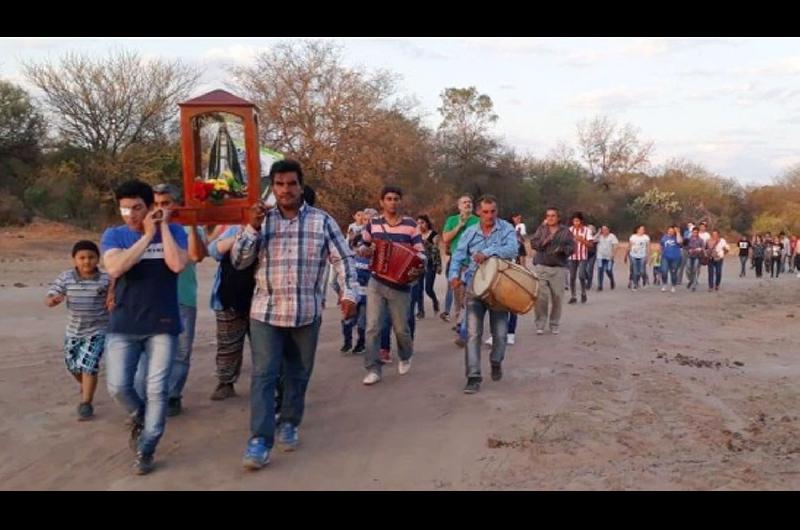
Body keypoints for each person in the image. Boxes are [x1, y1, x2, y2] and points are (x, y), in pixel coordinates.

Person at [231, 160, 357, 470]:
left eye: (291, 184)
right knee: (263, 375)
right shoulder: (262, 221)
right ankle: (259, 440)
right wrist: (252, 228)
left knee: (298, 374)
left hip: (306, 313)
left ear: (301, 186)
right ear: (272, 188)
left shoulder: (321, 221)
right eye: (279, 184)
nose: (286, 190)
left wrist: (350, 292)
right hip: (266, 312)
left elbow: (343, 259)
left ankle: (289, 421)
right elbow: (239, 261)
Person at [101, 179, 188, 475]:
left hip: (162, 324)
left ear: (150, 207)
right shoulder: (114, 235)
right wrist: (145, 236)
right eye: (125, 209)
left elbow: (177, 265)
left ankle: (147, 447)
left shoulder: (174, 231)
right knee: (118, 386)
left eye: (137, 208)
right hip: (124, 324)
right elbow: (115, 268)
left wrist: (161, 229)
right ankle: (140, 416)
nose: (131, 215)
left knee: (157, 389)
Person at [135, 184, 207, 418]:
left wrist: (193, 225)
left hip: (183, 296)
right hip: (153, 297)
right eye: (156, 204)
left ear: (176, 204)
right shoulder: (145, 227)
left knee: (181, 350)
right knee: (147, 350)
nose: (160, 208)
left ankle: (173, 395)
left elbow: (196, 256)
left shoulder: (188, 227)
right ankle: (145, 397)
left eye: (166, 203)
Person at [449, 195, 518, 394]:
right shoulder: (470, 232)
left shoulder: (506, 228)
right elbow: (458, 256)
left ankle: (496, 360)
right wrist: (454, 275)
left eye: (493, 211)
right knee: (473, 334)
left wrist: (488, 251)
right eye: (485, 212)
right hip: (474, 286)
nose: (489, 216)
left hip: (499, 287)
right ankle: (473, 376)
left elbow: (513, 248)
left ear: (497, 211)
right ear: (478, 212)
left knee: (501, 334)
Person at [358, 185, 425, 386]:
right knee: (372, 327)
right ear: (381, 202)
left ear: (400, 201)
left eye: (396, 198)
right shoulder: (373, 223)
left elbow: (421, 253)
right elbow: (361, 244)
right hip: (377, 280)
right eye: (388, 198)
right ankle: (373, 368)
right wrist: (365, 251)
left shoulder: (411, 225)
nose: (392, 202)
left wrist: (417, 267)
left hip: (401, 285)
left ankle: (405, 354)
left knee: (401, 329)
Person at [46, 240, 112, 420]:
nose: (86, 261)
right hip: (74, 331)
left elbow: (115, 297)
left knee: (89, 365)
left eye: (91, 257)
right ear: (74, 260)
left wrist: (113, 302)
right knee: (73, 366)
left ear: (98, 259)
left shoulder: (106, 279)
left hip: (98, 330)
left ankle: (86, 403)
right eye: (82, 258)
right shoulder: (66, 277)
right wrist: (53, 300)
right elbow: (51, 296)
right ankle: (85, 383)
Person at [206, 224, 254, 400]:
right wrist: (244, 236)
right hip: (228, 298)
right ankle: (225, 382)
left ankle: (270, 383)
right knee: (228, 346)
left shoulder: (273, 229)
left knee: (265, 346)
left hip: (261, 301)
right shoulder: (236, 230)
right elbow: (213, 251)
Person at [530, 207, 576, 335]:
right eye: (548, 215)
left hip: (558, 268)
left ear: (558, 217)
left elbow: (572, 248)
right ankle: (540, 323)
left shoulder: (565, 232)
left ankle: (554, 323)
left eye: (553, 216)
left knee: (557, 298)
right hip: (541, 266)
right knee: (540, 297)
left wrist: (562, 249)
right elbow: (534, 243)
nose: (550, 218)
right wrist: (545, 241)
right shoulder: (541, 229)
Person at [440, 195, 479, 324]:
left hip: (473, 263)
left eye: (469, 202)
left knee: (471, 295)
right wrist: (459, 226)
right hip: (457, 263)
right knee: (457, 294)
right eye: (464, 202)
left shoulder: (478, 221)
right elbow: (445, 239)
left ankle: (468, 323)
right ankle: (459, 321)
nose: (467, 204)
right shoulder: (452, 220)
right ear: (459, 206)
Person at [334, 234, 370, 354]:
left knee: (361, 322)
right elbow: (339, 278)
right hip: (351, 296)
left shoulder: (371, 261)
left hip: (366, 296)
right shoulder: (349, 260)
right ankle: (347, 342)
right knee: (347, 320)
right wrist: (341, 292)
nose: (360, 250)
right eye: (358, 246)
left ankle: (361, 343)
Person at [412, 214, 441, 319]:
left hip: (430, 263)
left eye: (422, 223)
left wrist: (425, 243)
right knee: (418, 288)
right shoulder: (415, 235)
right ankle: (420, 311)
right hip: (419, 264)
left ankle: (434, 300)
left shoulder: (433, 235)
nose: (420, 225)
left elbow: (435, 250)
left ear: (427, 223)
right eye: (418, 223)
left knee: (428, 288)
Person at [567, 212, 593, 304]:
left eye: (577, 221)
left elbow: (591, 244)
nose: (575, 223)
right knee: (572, 276)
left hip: (583, 255)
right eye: (574, 221)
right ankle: (573, 296)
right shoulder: (569, 230)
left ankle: (583, 292)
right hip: (572, 256)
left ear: (581, 221)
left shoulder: (587, 230)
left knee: (581, 275)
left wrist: (581, 240)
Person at [595, 225, 618, 291]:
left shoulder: (612, 236)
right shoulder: (599, 236)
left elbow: (615, 245)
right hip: (600, 256)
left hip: (609, 257)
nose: (604, 231)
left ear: (609, 230)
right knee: (600, 270)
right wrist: (598, 233)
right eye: (603, 229)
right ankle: (600, 286)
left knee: (608, 270)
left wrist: (613, 254)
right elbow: (593, 240)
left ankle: (612, 279)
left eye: (606, 229)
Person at [660, 226, 682, 292]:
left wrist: (678, 232)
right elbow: (661, 246)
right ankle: (664, 284)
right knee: (664, 271)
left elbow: (679, 241)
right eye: (669, 231)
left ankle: (673, 285)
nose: (670, 232)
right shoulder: (664, 237)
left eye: (672, 231)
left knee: (673, 272)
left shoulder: (677, 237)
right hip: (665, 257)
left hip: (675, 258)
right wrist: (660, 254)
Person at [628, 225, 650, 290]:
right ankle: (635, 284)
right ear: (637, 230)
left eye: (643, 229)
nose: (643, 230)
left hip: (642, 255)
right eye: (641, 229)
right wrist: (626, 255)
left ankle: (644, 280)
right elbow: (629, 246)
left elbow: (648, 247)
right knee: (635, 271)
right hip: (633, 255)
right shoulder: (633, 237)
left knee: (642, 271)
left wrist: (648, 256)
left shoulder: (646, 237)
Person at [685, 227, 705, 291]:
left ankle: (694, 285)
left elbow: (703, 248)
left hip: (697, 256)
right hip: (689, 256)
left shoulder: (701, 240)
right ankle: (691, 280)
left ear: (698, 233)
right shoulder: (688, 239)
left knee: (695, 269)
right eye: (694, 232)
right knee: (688, 269)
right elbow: (685, 246)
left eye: (696, 232)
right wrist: (689, 250)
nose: (695, 233)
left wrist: (700, 249)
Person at [584, 224, 598, 290]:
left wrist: (598, 233)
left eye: (591, 229)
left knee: (590, 269)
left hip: (592, 255)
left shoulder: (596, 237)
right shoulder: (585, 236)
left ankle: (589, 284)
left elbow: (594, 240)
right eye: (588, 229)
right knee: (584, 269)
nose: (590, 230)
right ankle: (587, 277)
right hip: (585, 254)